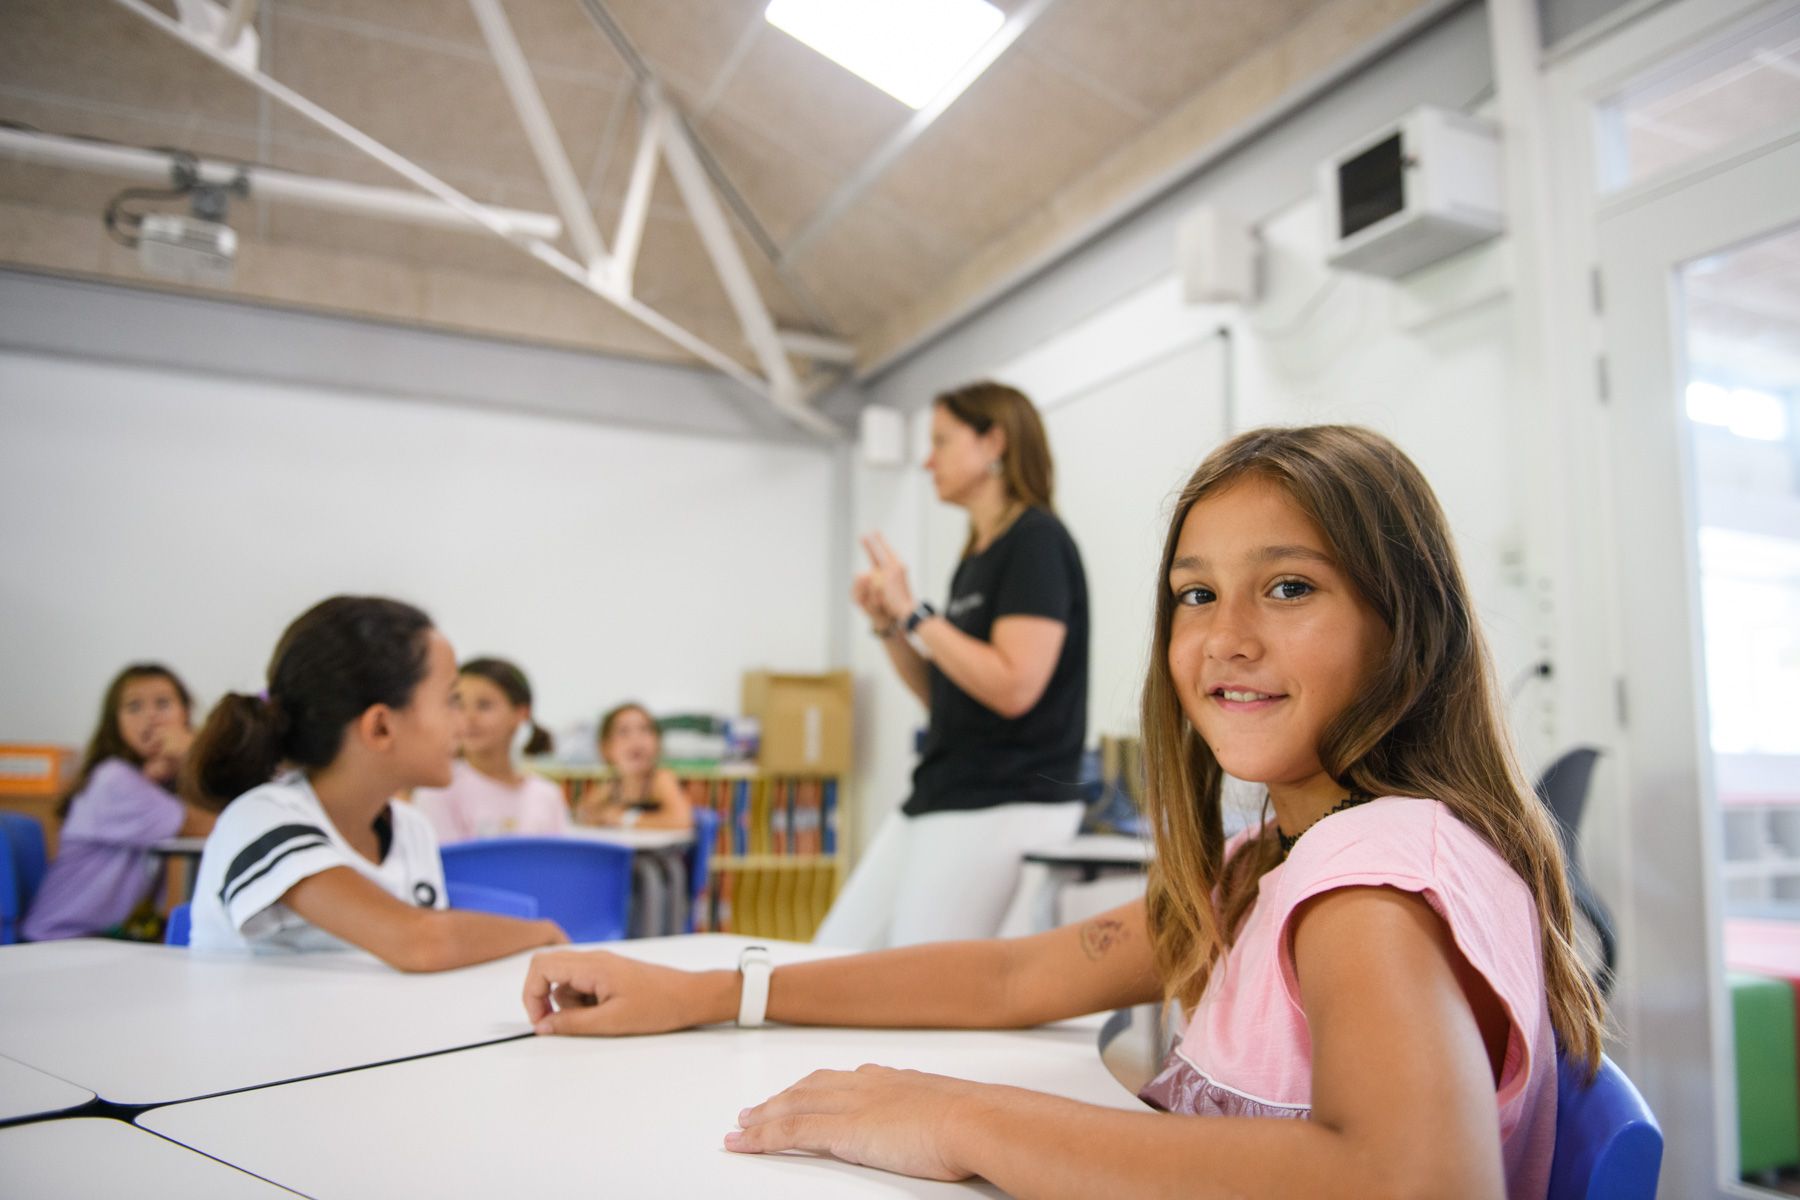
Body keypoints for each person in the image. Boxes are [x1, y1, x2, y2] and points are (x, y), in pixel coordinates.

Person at [519, 426, 1605, 1199]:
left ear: (1403, 625)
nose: (1224, 635)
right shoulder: (1272, 861)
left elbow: (1411, 1184)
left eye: (1287, 587)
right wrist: (714, 988)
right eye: (1193, 594)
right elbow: (1015, 976)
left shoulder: (1370, 884)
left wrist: (963, 1118)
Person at [819, 381, 1089, 949]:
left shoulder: (1035, 541)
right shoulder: (977, 557)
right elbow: (949, 698)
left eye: (941, 441)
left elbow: (1014, 686)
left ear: (994, 442)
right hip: (943, 790)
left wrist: (915, 613)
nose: (926, 459)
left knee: (914, 981)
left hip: (1005, 798)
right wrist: (890, 625)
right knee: (831, 954)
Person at [183, 596, 566, 969]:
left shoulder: (411, 829)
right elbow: (421, 942)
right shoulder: (261, 820)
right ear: (381, 727)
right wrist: (544, 933)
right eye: (450, 700)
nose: (462, 723)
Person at [22, 664, 216, 941]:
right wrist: (195, 752)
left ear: (185, 713)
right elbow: (209, 825)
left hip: (107, 940)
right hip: (62, 940)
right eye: (134, 707)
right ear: (116, 722)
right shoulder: (113, 780)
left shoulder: (154, 783)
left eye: (163, 704)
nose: (150, 717)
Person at [410, 657, 569, 844]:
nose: (469, 718)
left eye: (484, 705)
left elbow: (559, 864)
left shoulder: (546, 795)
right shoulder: (438, 790)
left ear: (521, 713)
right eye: (458, 704)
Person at [572, 703, 692, 832]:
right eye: (623, 732)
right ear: (606, 748)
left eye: (644, 730)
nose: (636, 739)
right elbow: (581, 811)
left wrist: (624, 819)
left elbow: (682, 820)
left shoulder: (660, 779)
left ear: (657, 742)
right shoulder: (613, 786)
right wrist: (599, 816)